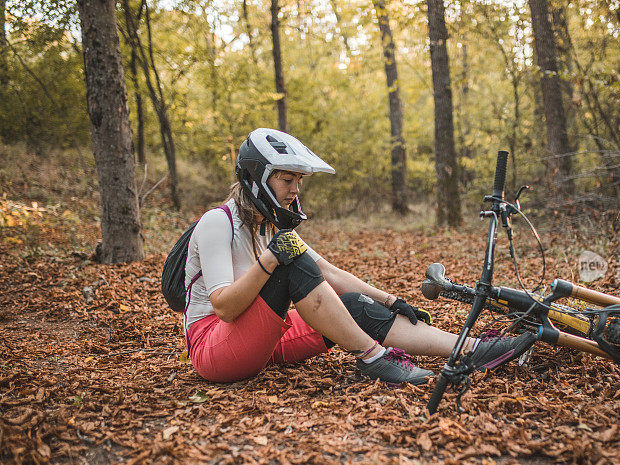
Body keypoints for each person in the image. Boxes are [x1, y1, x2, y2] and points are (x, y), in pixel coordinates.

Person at [184, 128, 533, 385]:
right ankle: (374, 358)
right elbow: (225, 309)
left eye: (299, 181)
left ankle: (470, 348)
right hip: (215, 349)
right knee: (293, 264)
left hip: (263, 341)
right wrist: (270, 261)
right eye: (286, 179)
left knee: (355, 304)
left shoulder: (271, 228)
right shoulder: (218, 223)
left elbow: (326, 271)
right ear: (256, 179)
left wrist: (390, 299)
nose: (295, 190)